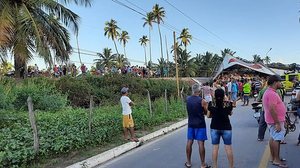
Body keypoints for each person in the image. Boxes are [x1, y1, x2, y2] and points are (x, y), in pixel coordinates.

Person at [262, 75, 288, 168]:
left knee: (273, 138)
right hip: (274, 121)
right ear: (275, 82)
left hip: (273, 119)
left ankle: (274, 157)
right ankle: (276, 160)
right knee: (277, 139)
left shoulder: (270, 92)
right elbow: (272, 108)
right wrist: (277, 122)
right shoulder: (272, 93)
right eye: (280, 82)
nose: (281, 83)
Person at [185, 83, 210, 168]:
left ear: (193, 90)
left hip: (191, 123)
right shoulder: (202, 101)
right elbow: (206, 113)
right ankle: (203, 164)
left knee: (189, 142)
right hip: (200, 124)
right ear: (199, 91)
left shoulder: (187, 99)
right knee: (201, 143)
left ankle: (188, 162)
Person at [207, 89, 234, 168]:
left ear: (215, 95)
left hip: (214, 127)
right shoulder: (228, 104)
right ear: (223, 95)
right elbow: (231, 113)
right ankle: (231, 166)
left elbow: (208, 116)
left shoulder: (211, 104)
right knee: (228, 147)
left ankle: (215, 166)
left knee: (215, 147)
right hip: (226, 128)